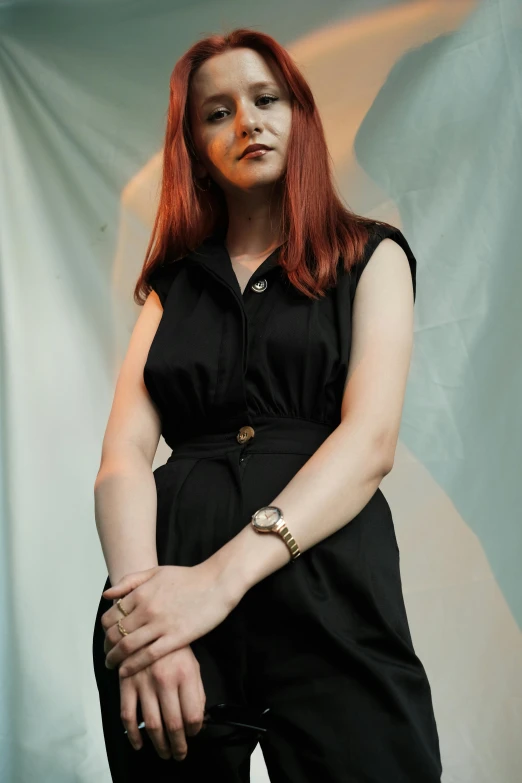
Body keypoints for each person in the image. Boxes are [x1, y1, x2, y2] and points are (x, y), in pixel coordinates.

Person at [92, 27, 443, 783]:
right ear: (194, 148)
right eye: (215, 113)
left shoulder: (372, 256)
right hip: (166, 585)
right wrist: (146, 623)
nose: (246, 121)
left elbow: (370, 441)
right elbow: (122, 457)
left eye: (265, 99)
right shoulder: (170, 287)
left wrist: (214, 585)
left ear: (300, 115)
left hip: (327, 588)